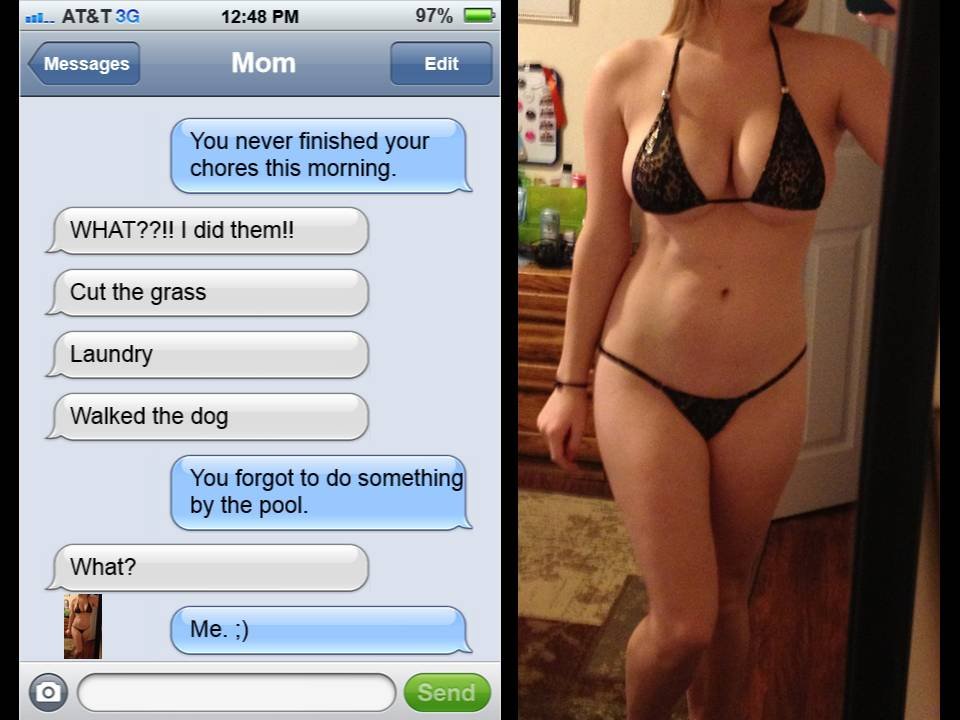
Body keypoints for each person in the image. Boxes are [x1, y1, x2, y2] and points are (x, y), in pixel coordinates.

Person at [536, 1, 895, 718]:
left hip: (768, 383)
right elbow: (604, 235)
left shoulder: (837, 68)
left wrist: (915, 39)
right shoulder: (626, 72)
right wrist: (569, 381)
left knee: (731, 597)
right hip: (643, 375)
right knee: (683, 623)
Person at [66, 594, 99, 659]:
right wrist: (69, 629)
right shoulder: (74, 600)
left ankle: (80, 659)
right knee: (79, 650)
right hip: (75, 628)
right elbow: (71, 616)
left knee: (82, 646)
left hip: (87, 629)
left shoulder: (92, 599)